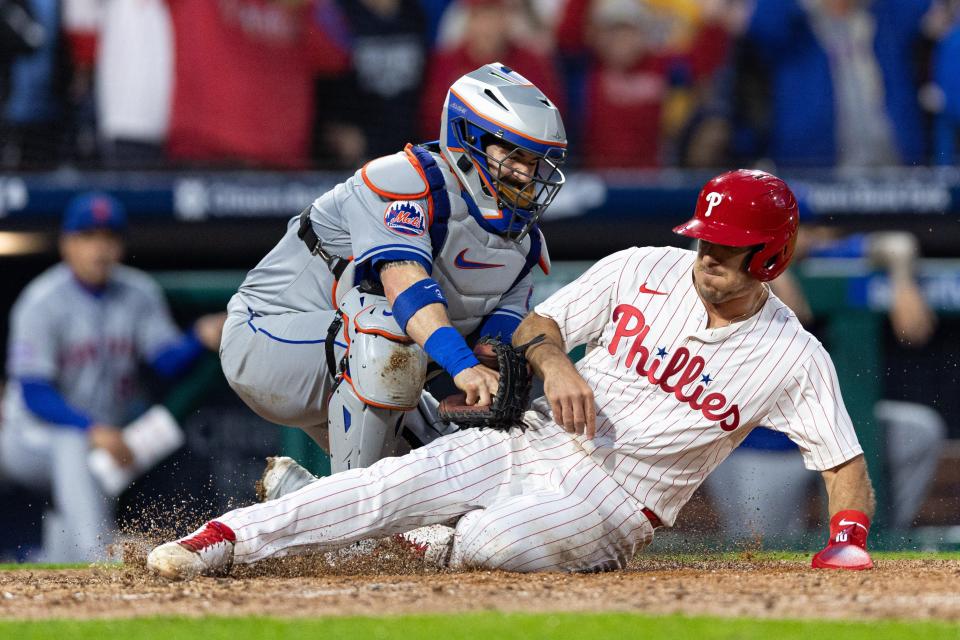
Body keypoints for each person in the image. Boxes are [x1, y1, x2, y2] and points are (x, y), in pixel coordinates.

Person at [148, 169, 877, 579]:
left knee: (495, 544)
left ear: (771, 259)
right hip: (531, 439)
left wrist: (848, 535)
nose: (707, 254)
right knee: (387, 484)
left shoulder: (792, 354)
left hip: (618, 503)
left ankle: (409, 537)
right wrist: (557, 363)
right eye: (705, 239)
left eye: (728, 246)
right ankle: (218, 541)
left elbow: (843, 461)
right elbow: (535, 324)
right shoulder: (644, 268)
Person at [217, 63, 567, 479]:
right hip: (269, 339)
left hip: (357, 363)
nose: (526, 175)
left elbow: (496, 341)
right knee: (387, 332)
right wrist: (461, 367)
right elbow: (406, 290)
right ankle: (354, 522)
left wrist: (494, 380)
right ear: (469, 138)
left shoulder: (523, 243)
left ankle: (296, 498)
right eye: (514, 156)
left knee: (460, 476)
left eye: (536, 162)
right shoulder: (403, 181)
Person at [0, 192, 225, 562]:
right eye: (87, 237)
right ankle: (99, 556)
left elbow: (165, 362)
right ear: (67, 244)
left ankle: (59, 556)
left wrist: (197, 337)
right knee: (72, 444)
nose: (99, 249)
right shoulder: (41, 301)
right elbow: (34, 393)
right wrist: (92, 429)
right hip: (29, 439)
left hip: (101, 439)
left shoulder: (138, 293)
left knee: (129, 445)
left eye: (108, 237)